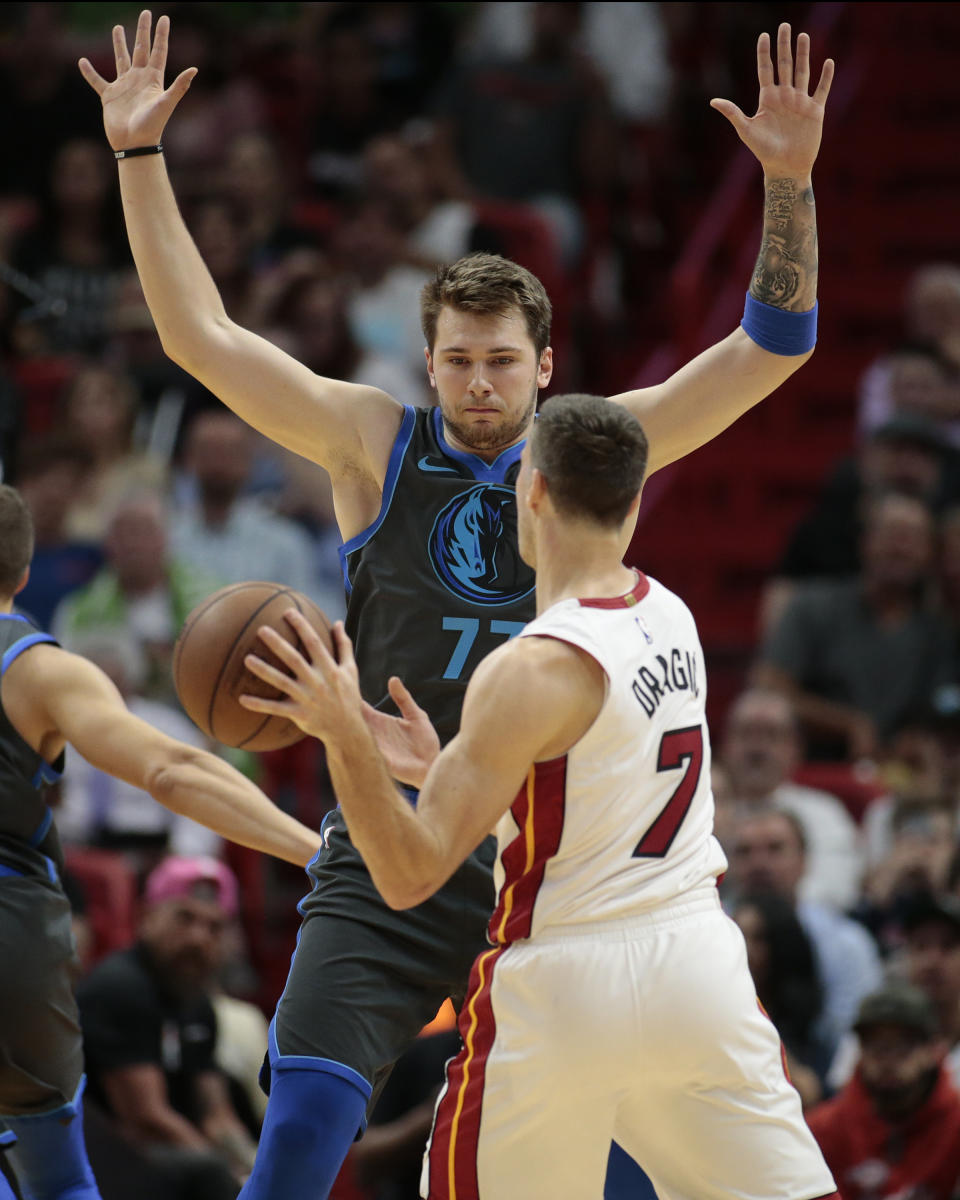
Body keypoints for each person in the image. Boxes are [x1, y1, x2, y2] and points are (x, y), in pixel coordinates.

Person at [80, 13, 833, 1197]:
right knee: (300, 1127)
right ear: (426, 363)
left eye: (501, 361)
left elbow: (769, 348)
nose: (479, 384)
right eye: (457, 361)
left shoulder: (598, 451)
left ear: (545, 362)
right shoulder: (371, 442)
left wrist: (786, 185)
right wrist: (138, 156)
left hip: (558, 867)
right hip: (395, 829)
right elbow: (198, 335)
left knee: (621, 1167)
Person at [242, 394, 837, 1199]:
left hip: (565, 987)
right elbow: (588, 776)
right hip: (699, 970)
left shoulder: (528, 669)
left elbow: (410, 876)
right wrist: (444, 767)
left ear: (531, 490)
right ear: (631, 501)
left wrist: (343, 732)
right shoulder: (670, 614)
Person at [0, 482, 321, 1200]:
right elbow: (172, 768)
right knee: (55, 1181)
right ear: (25, 577)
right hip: (10, 935)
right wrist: (316, 851)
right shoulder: (43, 669)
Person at [78, 857, 256, 1198]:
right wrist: (234, 1177)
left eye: (214, 927)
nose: (198, 938)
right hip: (101, 1153)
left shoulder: (198, 1004)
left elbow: (217, 1115)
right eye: (184, 918)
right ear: (146, 916)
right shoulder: (120, 988)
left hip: (161, 1158)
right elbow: (147, 1119)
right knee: (209, 1172)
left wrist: (257, 1168)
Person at [724, 806, 883, 1057]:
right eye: (745, 852)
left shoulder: (847, 944)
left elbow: (850, 1043)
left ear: (804, 860)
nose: (759, 863)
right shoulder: (709, 934)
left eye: (775, 849)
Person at [806, 983, 960, 1200]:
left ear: (933, 1049)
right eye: (875, 1045)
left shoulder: (955, 1126)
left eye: (902, 1046)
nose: (887, 1061)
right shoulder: (822, 1130)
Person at [721, 687, 863, 908]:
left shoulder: (825, 813)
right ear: (726, 747)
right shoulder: (701, 812)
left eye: (771, 735)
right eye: (746, 734)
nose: (756, 748)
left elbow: (837, 889)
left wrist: (767, 915)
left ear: (794, 748)